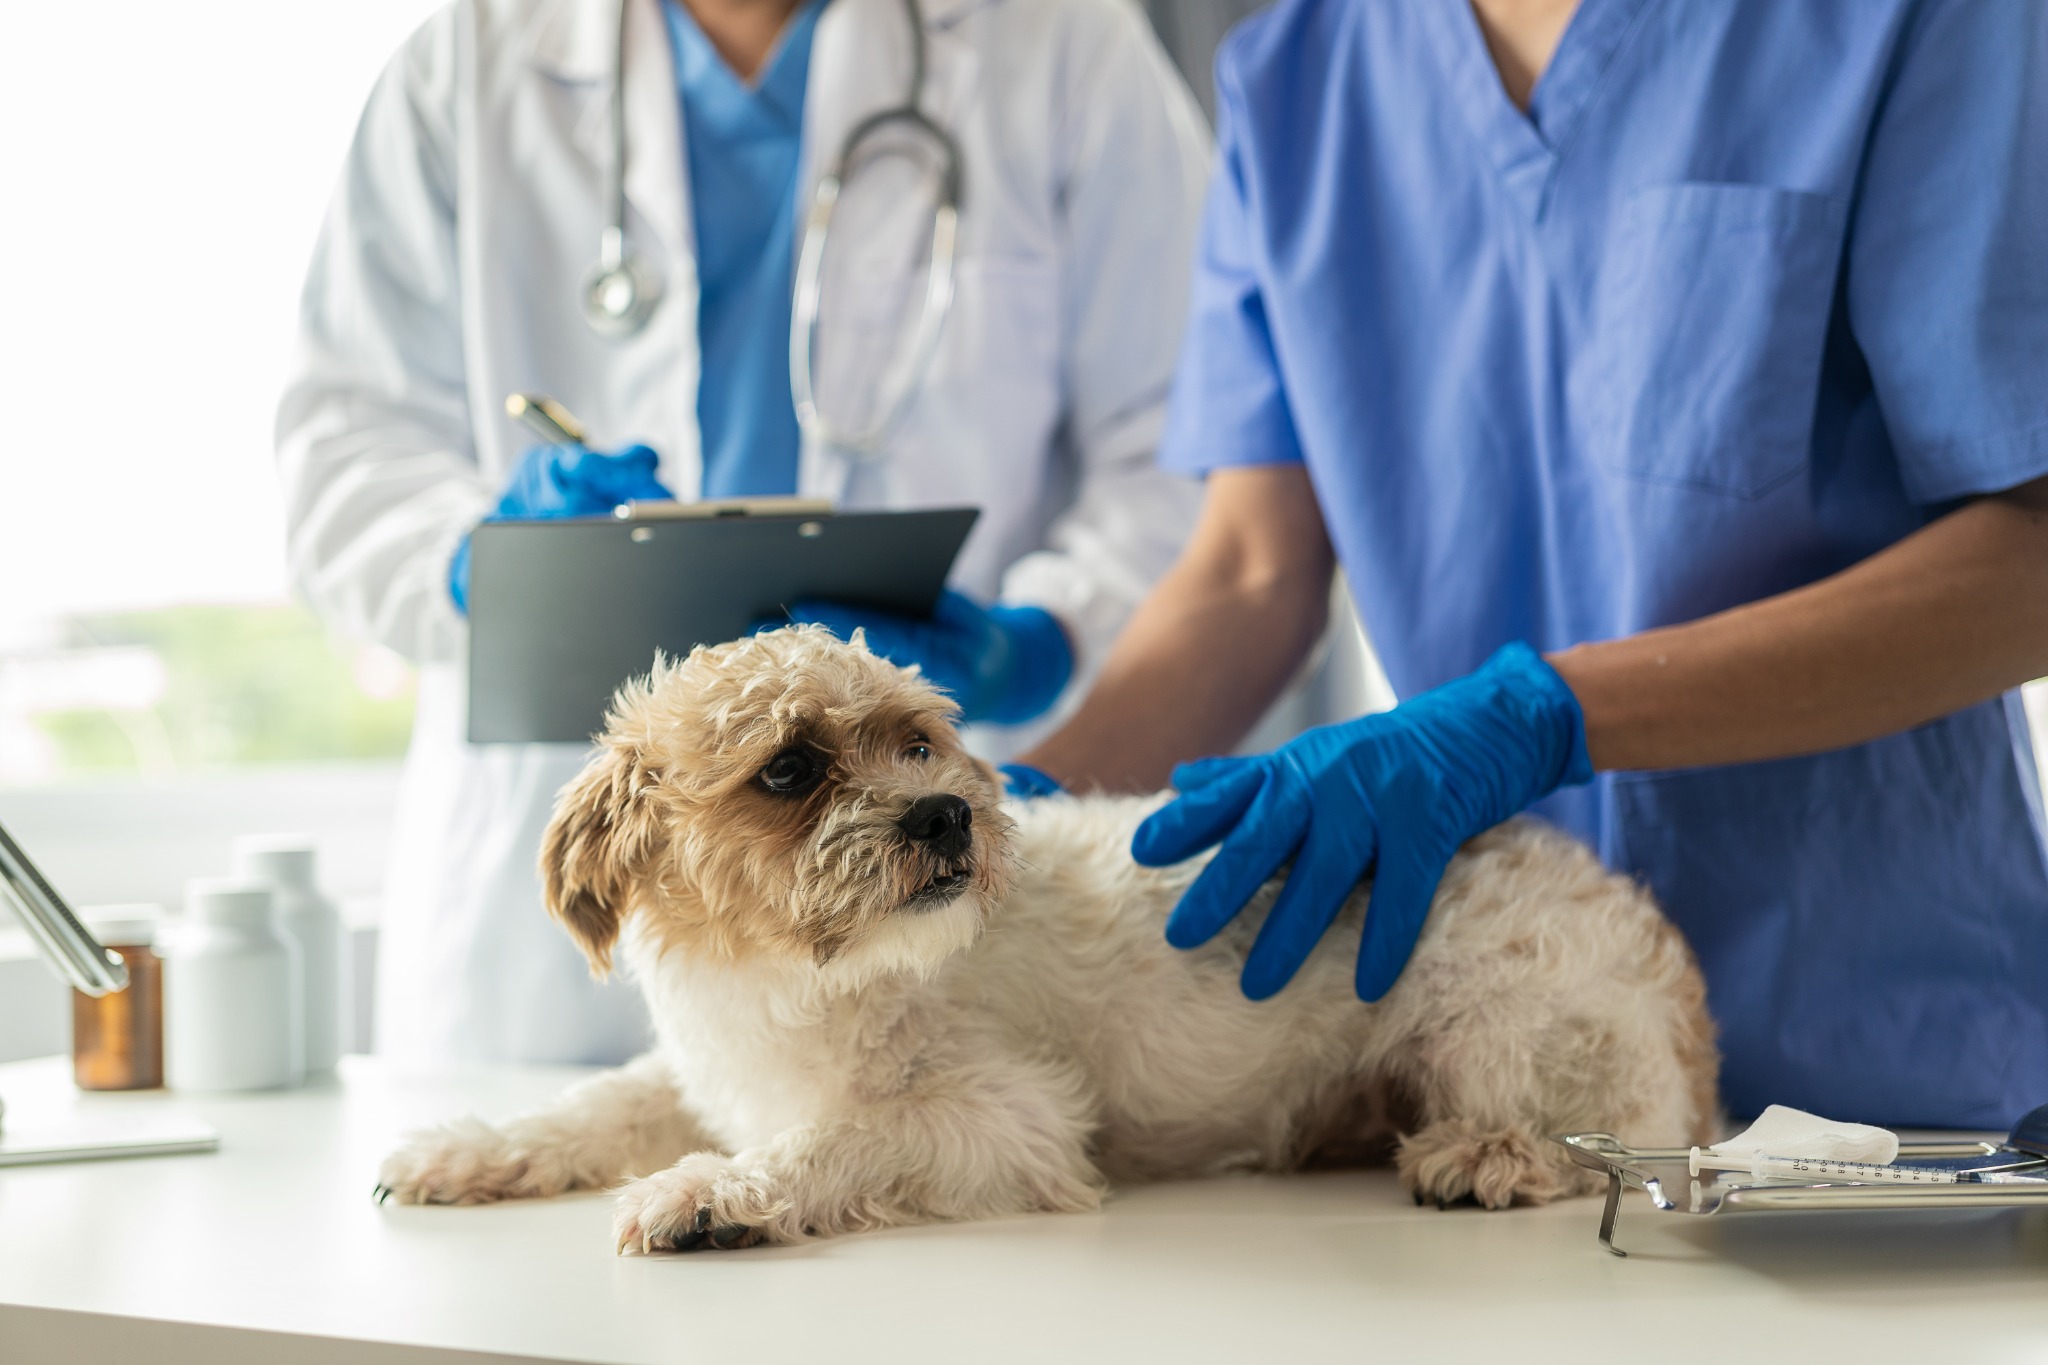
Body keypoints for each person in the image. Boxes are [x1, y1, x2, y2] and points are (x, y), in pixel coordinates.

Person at [1017, 0, 2048, 1129]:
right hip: (1485, 1060)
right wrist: (1007, 813)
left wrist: (1540, 715)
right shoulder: (1296, 82)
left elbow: (2025, 555)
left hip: (1869, 1062)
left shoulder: (1913, 21)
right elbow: (1248, 574)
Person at [276, 0, 1211, 1066]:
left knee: (930, 1161)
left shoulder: (1057, 45)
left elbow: (1193, 447)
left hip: (935, 901)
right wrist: (473, 563)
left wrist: (1046, 635)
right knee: (535, 1183)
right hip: (549, 959)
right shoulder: (467, 66)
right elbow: (341, 453)